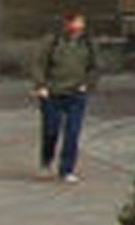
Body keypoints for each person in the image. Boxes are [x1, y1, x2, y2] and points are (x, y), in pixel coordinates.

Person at [30, 10, 98, 183]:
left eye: (81, 23)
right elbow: (38, 64)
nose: (78, 27)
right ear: (67, 24)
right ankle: (46, 161)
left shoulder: (87, 43)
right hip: (53, 93)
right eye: (75, 23)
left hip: (76, 94)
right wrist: (41, 85)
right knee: (51, 130)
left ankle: (66, 169)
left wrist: (88, 84)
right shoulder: (53, 41)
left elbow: (95, 67)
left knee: (72, 133)